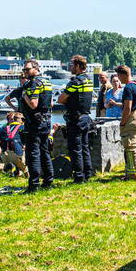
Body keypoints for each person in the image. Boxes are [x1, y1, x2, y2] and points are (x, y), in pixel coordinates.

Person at [58, 55, 95, 183]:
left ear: (78, 66)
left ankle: (79, 176)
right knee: (84, 147)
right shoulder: (88, 80)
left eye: (72, 65)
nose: (70, 67)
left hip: (75, 119)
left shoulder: (75, 82)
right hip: (85, 117)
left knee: (75, 148)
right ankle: (88, 173)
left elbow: (61, 99)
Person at [20, 59, 54, 192]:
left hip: (34, 123)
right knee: (45, 151)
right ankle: (48, 180)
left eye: (27, 69)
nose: (25, 72)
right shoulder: (47, 82)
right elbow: (51, 104)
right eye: (24, 70)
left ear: (36, 69)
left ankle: (33, 185)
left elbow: (33, 104)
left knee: (33, 153)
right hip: (46, 121)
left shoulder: (34, 84)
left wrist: (24, 96)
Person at [117, 65, 136, 180]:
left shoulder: (128, 87)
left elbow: (127, 108)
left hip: (132, 119)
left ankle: (133, 174)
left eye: (119, 76)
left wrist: (122, 123)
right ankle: (132, 172)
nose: (119, 78)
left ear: (123, 75)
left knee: (130, 148)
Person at [0, 111, 26, 177]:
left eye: (13, 118)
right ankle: (14, 170)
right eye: (11, 119)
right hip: (8, 153)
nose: (12, 120)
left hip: (15, 153)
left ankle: (14, 170)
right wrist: (0, 154)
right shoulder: (3, 128)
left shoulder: (4, 128)